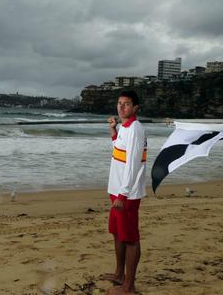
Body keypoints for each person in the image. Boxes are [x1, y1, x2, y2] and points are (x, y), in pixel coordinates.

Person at [102, 90, 147, 295]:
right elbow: (118, 151)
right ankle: (120, 274)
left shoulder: (136, 129)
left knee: (130, 238)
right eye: (119, 103)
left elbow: (133, 163)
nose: (121, 107)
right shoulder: (125, 128)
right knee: (117, 233)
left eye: (126, 104)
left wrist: (123, 194)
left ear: (135, 108)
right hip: (117, 189)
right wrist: (113, 131)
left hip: (127, 193)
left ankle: (129, 286)